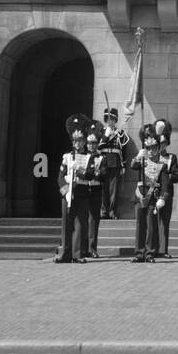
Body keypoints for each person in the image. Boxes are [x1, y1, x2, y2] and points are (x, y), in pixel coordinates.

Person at [55, 115, 93, 263]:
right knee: (66, 224)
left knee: (80, 224)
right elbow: (60, 176)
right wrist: (65, 191)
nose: (78, 143)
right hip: (68, 194)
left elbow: (90, 175)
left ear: (84, 141)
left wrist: (80, 170)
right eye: (75, 140)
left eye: (80, 140)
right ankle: (65, 253)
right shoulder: (67, 157)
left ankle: (77, 254)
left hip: (82, 193)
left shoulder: (89, 157)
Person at [132, 124, 169, 263]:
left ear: (158, 148)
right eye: (148, 148)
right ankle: (139, 252)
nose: (151, 151)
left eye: (154, 148)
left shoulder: (162, 165)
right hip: (140, 196)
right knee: (140, 226)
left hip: (153, 197)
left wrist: (162, 198)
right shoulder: (142, 161)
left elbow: (165, 184)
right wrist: (137, 156)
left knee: (151, 227)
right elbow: (133, 166)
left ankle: (149, 252)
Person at [156, 120, 178, 257]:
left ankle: (162, 249)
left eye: (164, 143)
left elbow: (176, 176)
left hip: (166, 192)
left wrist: (167, 177)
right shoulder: (151, 157)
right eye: (159, 144)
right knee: (152, 222)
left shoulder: (172, 158)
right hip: (153, 191)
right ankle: (152, 248)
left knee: (164, 222)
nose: (162, 146)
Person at [98, 106, 126, 220]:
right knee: (103, 189)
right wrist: (106, 136)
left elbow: (124, 150)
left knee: (114, 190)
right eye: (108, 119)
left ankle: (112, 212)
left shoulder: (121, 133)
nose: (110, 121)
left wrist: (123, 164)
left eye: (112, 119)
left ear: (115, 120)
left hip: (116, 162)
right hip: (104, 162)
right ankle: (104, 211)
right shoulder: (101, 132)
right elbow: (98, 148)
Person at [84, 124, 106, 258]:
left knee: (93, 220)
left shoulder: (101, 157)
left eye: (93, 143)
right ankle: (81, 247)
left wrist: (93, 174)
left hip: (96, 190)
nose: (91, 145)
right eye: (89, 143)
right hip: (83, 189)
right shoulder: (82, 156)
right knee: (82, 219)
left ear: (97, 144)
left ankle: (92, 248)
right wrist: (93, 173)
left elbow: (104, 174)